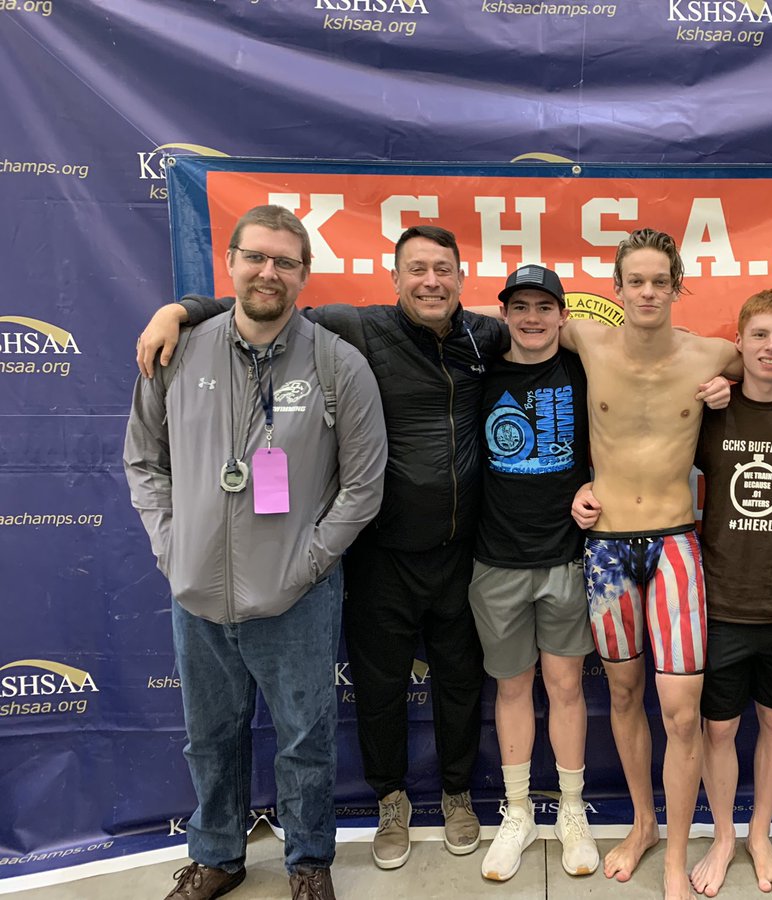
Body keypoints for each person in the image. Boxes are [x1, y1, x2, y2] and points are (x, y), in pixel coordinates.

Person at [135, 225, 510, 869]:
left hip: (459, 552)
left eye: (443, 270)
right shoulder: (352, 327)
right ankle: (390, 800)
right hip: (381, 557)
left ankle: (455, 796)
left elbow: (560, 328)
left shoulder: (487, 335)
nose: (430, 281)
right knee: (378, 689)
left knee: (458, 686)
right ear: (393, 279)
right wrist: (182, 309)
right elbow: (263, 307)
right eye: (416, 269)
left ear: (460, 278)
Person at [124, 205, 387, 900]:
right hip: (198, 592)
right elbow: (143, 462)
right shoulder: (177, 351)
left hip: (298, 596)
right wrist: (171, 543)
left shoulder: (338, 362)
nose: (269, 272)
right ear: (232, 264)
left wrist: (309, 563)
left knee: (306, 739)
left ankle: (307, 864)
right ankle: (216, 856)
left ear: (305, 275)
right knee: (209, 736)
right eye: (256, 258)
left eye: (285, 262)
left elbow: (363, 487)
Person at [568, 227, 742, 900]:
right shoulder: (586, 339)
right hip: (607, 548)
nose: (646, 291)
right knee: (621, 693)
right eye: (634, 281)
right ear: (615, 289)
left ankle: (675, 853)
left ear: (677, 288)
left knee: (680, 709)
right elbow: (500, 327)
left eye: (658, 281)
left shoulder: (712, 353)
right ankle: (642, 823)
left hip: (674, 544)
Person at [687, 289, 772, 897]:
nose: (771, 347)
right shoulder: (708, 408)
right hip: (719, 600)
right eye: (760, 336)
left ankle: (760, 832)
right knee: (717, 730)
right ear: (739, 342)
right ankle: (722, 835)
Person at [469, 264, 599, 882]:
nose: (532, 318)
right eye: (520, 306)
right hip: (495, 562)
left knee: (567, 686)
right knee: (513, 689)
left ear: (562, 316)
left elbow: (624, 434)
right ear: (504, 315)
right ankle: (517, 812)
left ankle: (572, 811)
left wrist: (598, 487)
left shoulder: (582, 370)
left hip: (567, 559)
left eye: (544, 307)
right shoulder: (479, 373)